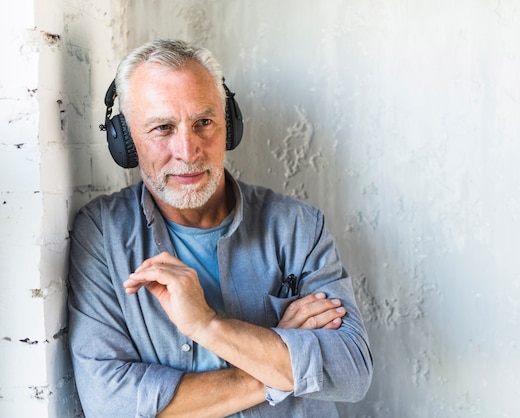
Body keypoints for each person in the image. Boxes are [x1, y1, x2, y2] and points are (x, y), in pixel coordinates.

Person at [67, 39, 372, 418]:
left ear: (229, 124)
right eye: (163, 128)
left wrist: (207, 325)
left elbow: (350, 372)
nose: (188, 150)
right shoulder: (102, 234)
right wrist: (272, 365)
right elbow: (110, 403)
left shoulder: (297, 226)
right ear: (126, 142)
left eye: (204, 123)